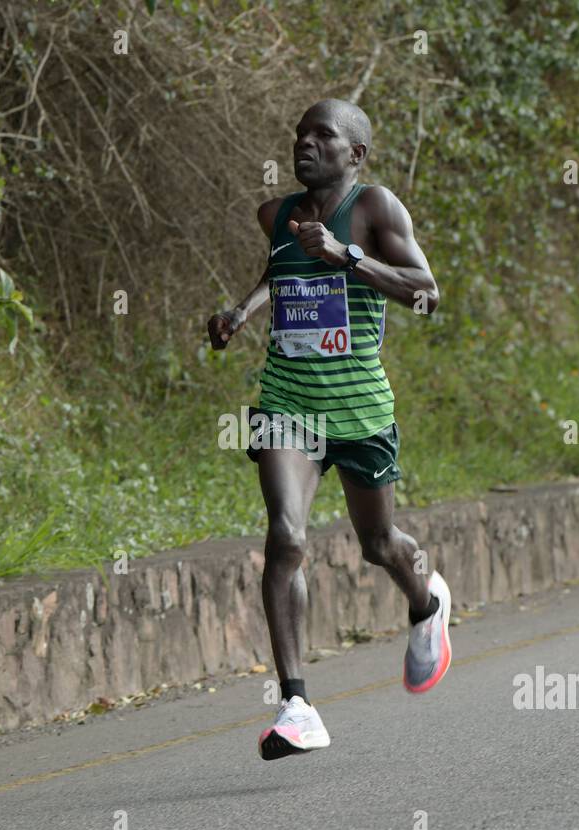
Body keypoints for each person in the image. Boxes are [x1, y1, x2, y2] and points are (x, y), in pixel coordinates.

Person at [208, 98, 450, 761]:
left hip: (361, 409)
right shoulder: (277, 216)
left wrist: (349, 256)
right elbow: (278, 276)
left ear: (356, 154)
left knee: (378, 544)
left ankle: (426, 600)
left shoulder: (376, 211)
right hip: (289, 402)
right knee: (286, 536)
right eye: (299, 135)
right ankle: (297, 703)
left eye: (323, 136)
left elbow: (428, 292)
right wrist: (241, 313)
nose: (305, 144)